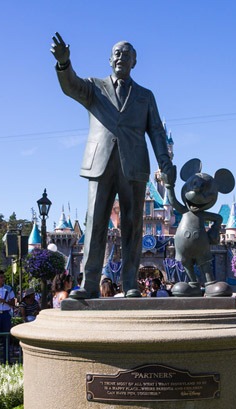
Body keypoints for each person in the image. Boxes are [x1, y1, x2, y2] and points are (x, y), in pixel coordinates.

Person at [51, 33, 172, 299]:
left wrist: (165, 161)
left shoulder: (145, 96)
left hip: (134, 166)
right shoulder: (94, 87)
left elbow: (156, 131)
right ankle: (90, 283)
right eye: (117, 53)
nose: (121, 58)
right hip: (100, 163)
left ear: (134, 62)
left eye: (127, 55)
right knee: (95, 223)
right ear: (109, 60)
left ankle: (130, 283)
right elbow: (71, 86)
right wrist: (64, 64)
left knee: (133, 226)